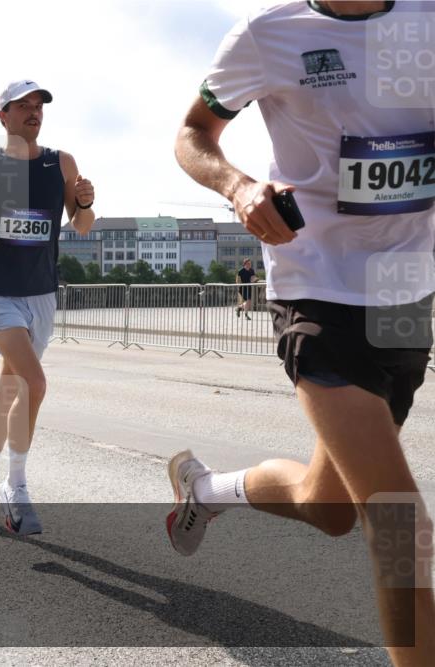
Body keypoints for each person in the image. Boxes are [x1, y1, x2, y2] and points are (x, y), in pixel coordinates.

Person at [169, 2, 434, 663]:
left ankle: (205, 489)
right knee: (400, 524)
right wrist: (236, 186)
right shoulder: (269, 32)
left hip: (404, 298)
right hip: (314, 286)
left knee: (331, 505)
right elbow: (192, 132)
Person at [0, 80, 95, 534]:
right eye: (22, 105)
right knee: (34, 382)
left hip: (42, 294)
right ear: (2, 116)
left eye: (38, 105)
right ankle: (17, 486)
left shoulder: (61, 162)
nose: (33, 112)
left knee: (9, 391)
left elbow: (81, 225)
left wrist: (85, 202)